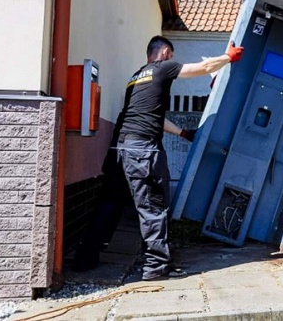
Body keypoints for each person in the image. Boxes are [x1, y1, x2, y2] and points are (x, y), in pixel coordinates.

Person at [72, 35, 243, 281]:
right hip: (143, 151)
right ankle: (156, 267)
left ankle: (85, 259)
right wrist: (229, 57)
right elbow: (203, 68)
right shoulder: (163, 67)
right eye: (171, 54)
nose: (173, 59)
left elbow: (152, 116)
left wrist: (183, 132)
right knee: (153, 207)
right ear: (162, 52)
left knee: (108, 205)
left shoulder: (136, 77)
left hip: (119, 149)